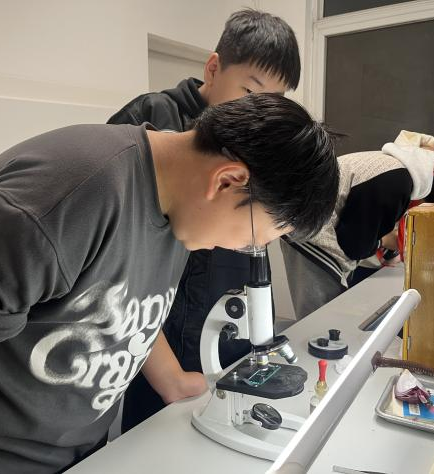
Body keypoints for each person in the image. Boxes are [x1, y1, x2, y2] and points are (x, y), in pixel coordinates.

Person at [0, 93, 338, 474]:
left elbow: (120, 306)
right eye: (256, 236)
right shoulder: (67, 198)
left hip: (73, 455)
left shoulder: (181, 207)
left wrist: (173, 381)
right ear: (227, 181)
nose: (243, 248)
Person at [108, 8, 302, 432]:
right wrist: (165, 371)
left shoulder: (256, 142)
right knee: (155, 434)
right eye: (249, 92)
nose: (258, 111)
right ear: (213, 69)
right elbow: (116, 270)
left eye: (273, 101)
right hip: (156, 333)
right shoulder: (154, 121)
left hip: (223, 315)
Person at [281, 134, 434, 319]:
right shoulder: (398, 181)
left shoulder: (402, 167)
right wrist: (384, 241)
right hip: (313, 234)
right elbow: (354, 245)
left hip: (310, 223)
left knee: (328, 318)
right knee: (320, 322)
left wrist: (385, 243)